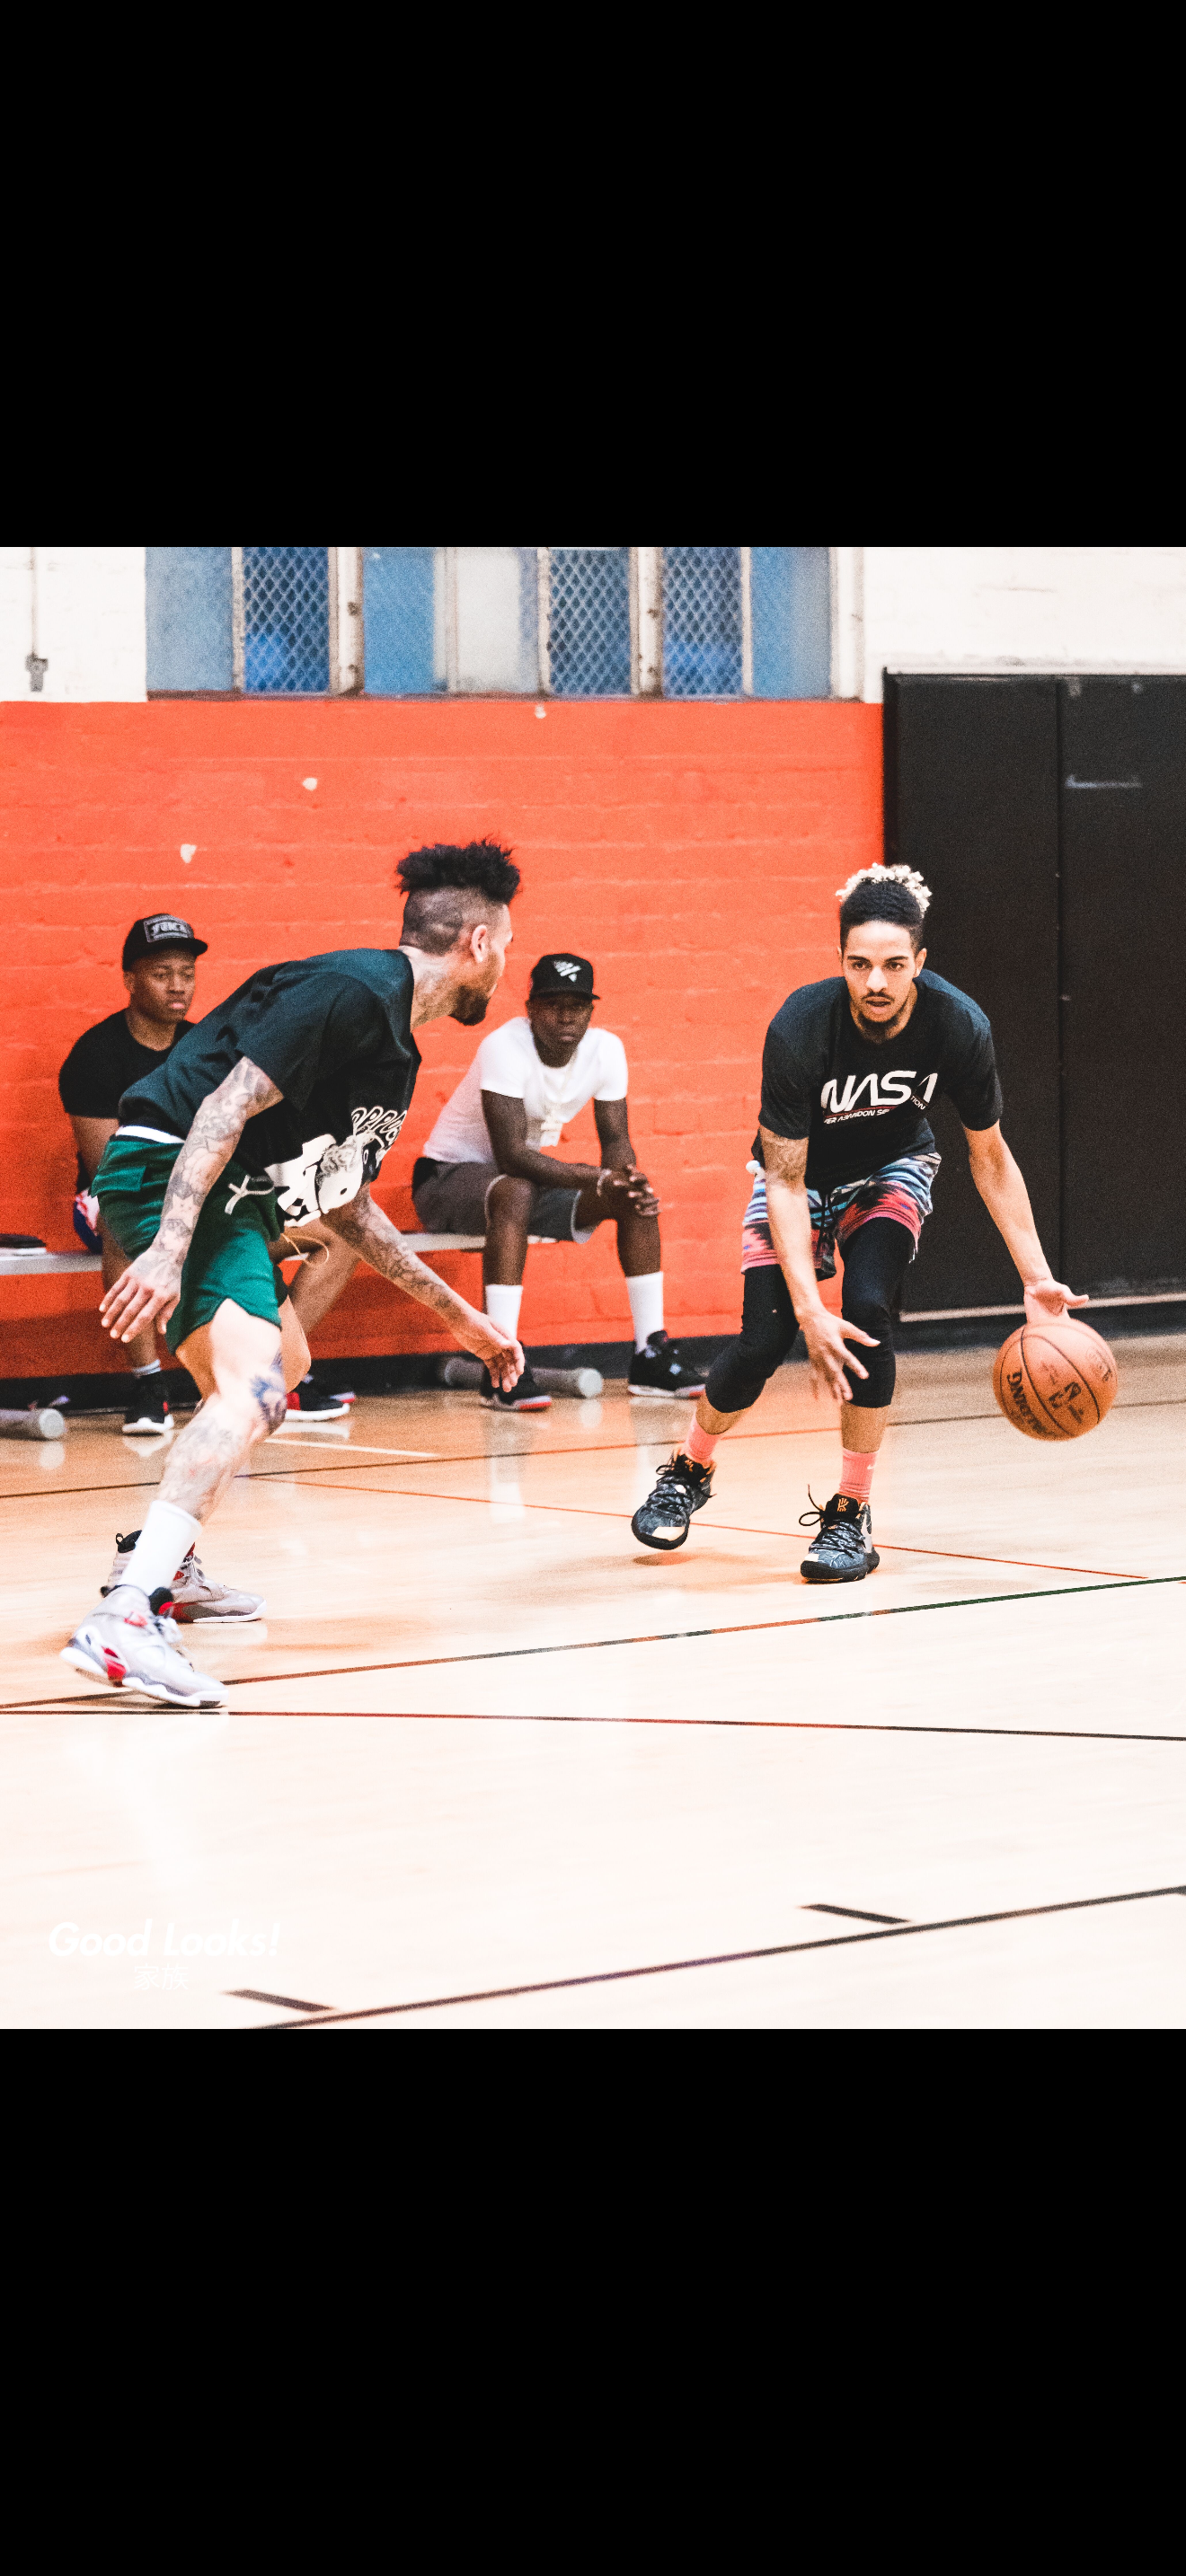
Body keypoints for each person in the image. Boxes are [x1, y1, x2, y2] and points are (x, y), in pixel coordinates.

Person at [62, 842, 525, 1707]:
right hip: (170, 1168)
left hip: (233, 1198)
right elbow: (225, 1104)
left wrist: (460, 1316)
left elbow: (345, 1206)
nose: (506, 963)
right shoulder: (348, 990)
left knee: (289, 1364)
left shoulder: (393, 1052)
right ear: (479, 942)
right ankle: (127, 1618)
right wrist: (168, 1246)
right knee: (253, 1387)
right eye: (508, 944)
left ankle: (165, 1563)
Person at [631, 864, 1085, 1574]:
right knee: (763, 1340)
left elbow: (990, 1156)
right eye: (860, 964)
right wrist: (808, 1308)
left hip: (892, 1168)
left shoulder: (958, 1025)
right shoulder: (801, 1025)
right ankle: (689, 1471)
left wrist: (1035, 1276)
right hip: (798, 1180)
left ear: (919, 962)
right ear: (840, 958)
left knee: (869, 1311)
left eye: (894, 965)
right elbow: (784, 1180)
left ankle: (850, 1514)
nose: (876, 982)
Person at [412, 952, 705, 1411]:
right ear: (530, 1008)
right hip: (445, 1181)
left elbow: (616, 1140)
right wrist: (597, 1178)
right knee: (515, 1188)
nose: (566, 1016)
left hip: (523, 1188)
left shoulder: (606, 1050)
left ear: (590, 1010)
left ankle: (650, 1353)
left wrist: (624, 1180)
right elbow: (512, 1155)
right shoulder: (503, 1046)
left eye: (577, 1005)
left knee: (634, 1198)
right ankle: (501, 1362)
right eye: (552, 1005)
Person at [58, 914, 203, 1434]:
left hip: (195, 1190)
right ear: (130, 980)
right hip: (108, 1195)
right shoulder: (95, 1055)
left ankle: (274, 1371)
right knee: (128, 1220)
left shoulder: (206, 1047)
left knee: (327, 1237)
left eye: (186, 973)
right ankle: (148, 1384)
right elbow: (107, 1170)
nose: (177, 986)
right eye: (162, 973)